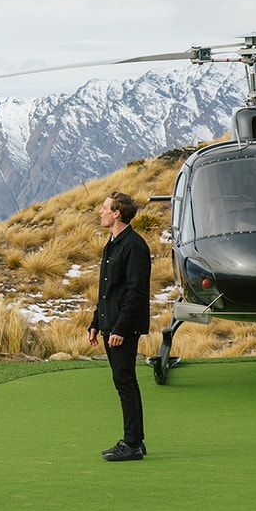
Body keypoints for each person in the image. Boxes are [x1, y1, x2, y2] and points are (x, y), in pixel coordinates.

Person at [87, 191, 152, 462]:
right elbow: (108, 290)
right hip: (110, 324)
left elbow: (136, 292)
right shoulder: (112, 244)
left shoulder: (134, 246)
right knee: (121, 380)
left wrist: (120, 329)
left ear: (117, 213)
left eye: (105, 208)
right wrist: (95, 322)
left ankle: (133, 443)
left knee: (126, 381)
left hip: (122, 328)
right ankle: (133, 440)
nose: (100, 212)